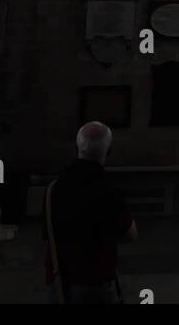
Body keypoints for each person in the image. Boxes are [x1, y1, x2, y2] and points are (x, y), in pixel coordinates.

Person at [44, 122, 137, 303]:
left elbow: (49, 234)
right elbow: (130, 234)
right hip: (95, 284)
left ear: (77, 147)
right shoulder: (109, 190)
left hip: (59, 281)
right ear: (109, 151)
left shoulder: (54, 188)